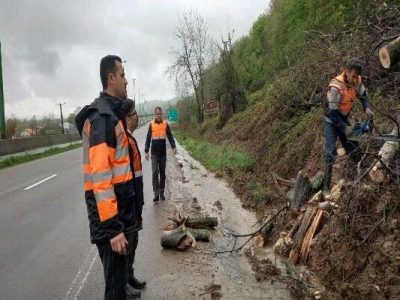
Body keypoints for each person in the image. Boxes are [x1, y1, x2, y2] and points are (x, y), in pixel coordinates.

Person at [75, 55, 139, 300]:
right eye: (122, 76)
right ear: (111, 78)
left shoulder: (112, 115)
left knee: (118, 286)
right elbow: (101, 178)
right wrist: (113, 229)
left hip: (117, 216)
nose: (126, 81)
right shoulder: (102, 118)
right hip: (110, 222)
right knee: (114, 291)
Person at [323, 58, 374, 198]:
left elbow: (363, 96)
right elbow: (333, 114)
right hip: (331, 121)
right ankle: (326, 188)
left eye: (357, 76)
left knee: (354, 147)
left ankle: (356, 178)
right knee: (330, 151)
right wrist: (345, 128)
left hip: (344, 118)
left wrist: (367, 108)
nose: (355, 79)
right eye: (353, 76)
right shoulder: (336, 86)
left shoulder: (357, 80)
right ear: (346, 71)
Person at [125, 106, 146, 297]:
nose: (138, 118)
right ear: (128, 118)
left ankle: (130, 276)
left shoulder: (130, 138)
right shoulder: (124, 139)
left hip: (136, 198)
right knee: (129, 241)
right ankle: (124, 281)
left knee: (135, 239)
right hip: (129, 200)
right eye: (135, 115)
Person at [144, 106, 177, 202]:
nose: (159, 115)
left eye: (160, 114)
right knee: (155, 173)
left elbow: (170, 136)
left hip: (163, 154)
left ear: (162, 114)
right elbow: (148, 138)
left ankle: (161, 191)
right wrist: (146, 151)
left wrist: (173, 146)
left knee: (162, 173)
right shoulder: (151, 124)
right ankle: (156, 193)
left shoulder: (165, 124)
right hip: (154, 153)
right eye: (157, 114)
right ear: (155, 115)